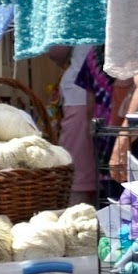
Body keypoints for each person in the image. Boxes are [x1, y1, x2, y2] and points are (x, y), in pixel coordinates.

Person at [48, 44, 98, 205]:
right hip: (115, 94)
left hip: (80, 95)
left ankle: (80, 222)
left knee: (78, 176)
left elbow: (57, 51)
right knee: (104, 172)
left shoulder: (76, 18)